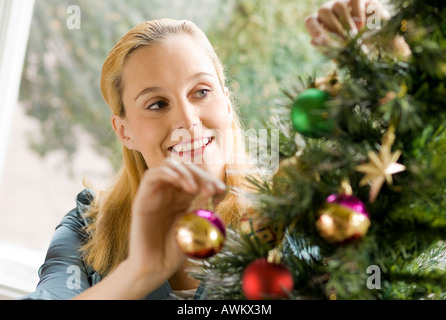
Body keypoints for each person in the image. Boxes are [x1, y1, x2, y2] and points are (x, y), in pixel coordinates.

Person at [22, 0, 407, 300]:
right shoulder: (87, 225)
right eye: (157, 104)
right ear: (125, 132)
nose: (188, 121)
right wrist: (138, 274)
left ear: (226, 99)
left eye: (201, 92)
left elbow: (405, 225)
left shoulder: (291, 212)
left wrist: (396, 56)